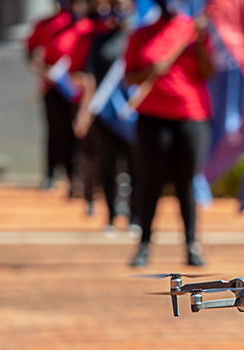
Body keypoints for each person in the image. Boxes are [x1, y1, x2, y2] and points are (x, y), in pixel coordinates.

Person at [124, 0, 214, 267]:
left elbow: (209, 72)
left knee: (186, 182)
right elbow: (129, 78)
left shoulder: (194, 31)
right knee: (151, 182)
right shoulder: (140, 34)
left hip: (190, 115)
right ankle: (144, 245)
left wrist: (199, 43)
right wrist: (150, 71)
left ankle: (191, 245)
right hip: (152, 116)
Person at [73, 0, 140, 233]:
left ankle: (134, 217)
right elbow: (90, 77)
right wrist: (84, 113)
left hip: (133, 114)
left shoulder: (138, 39)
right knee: (107, 164)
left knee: (135, 166)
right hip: (105, 113)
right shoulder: (98, 40)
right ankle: (111, 216)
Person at [26, 0, 92, 193]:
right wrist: (39, 66)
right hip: (52, 86)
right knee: (55, 132)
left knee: (78, 135)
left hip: (78, 90)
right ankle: (51, 174)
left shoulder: (86, 25)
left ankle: (75, 178)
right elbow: (30, 52)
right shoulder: (46, 24)